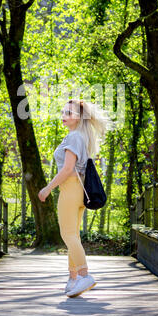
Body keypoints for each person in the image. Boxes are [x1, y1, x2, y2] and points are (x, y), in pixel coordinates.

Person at [38, 99, 112, 298]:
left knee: (68, 235)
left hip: (70, 189)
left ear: (79, 117)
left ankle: (84, 275)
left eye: (69, 113)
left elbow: (68, 169)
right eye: (63, 112)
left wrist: (47, 188)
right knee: (73, 236)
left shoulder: (74, 137)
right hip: (78, 190)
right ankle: (73, 279)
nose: (64, 115)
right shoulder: (79, 136)